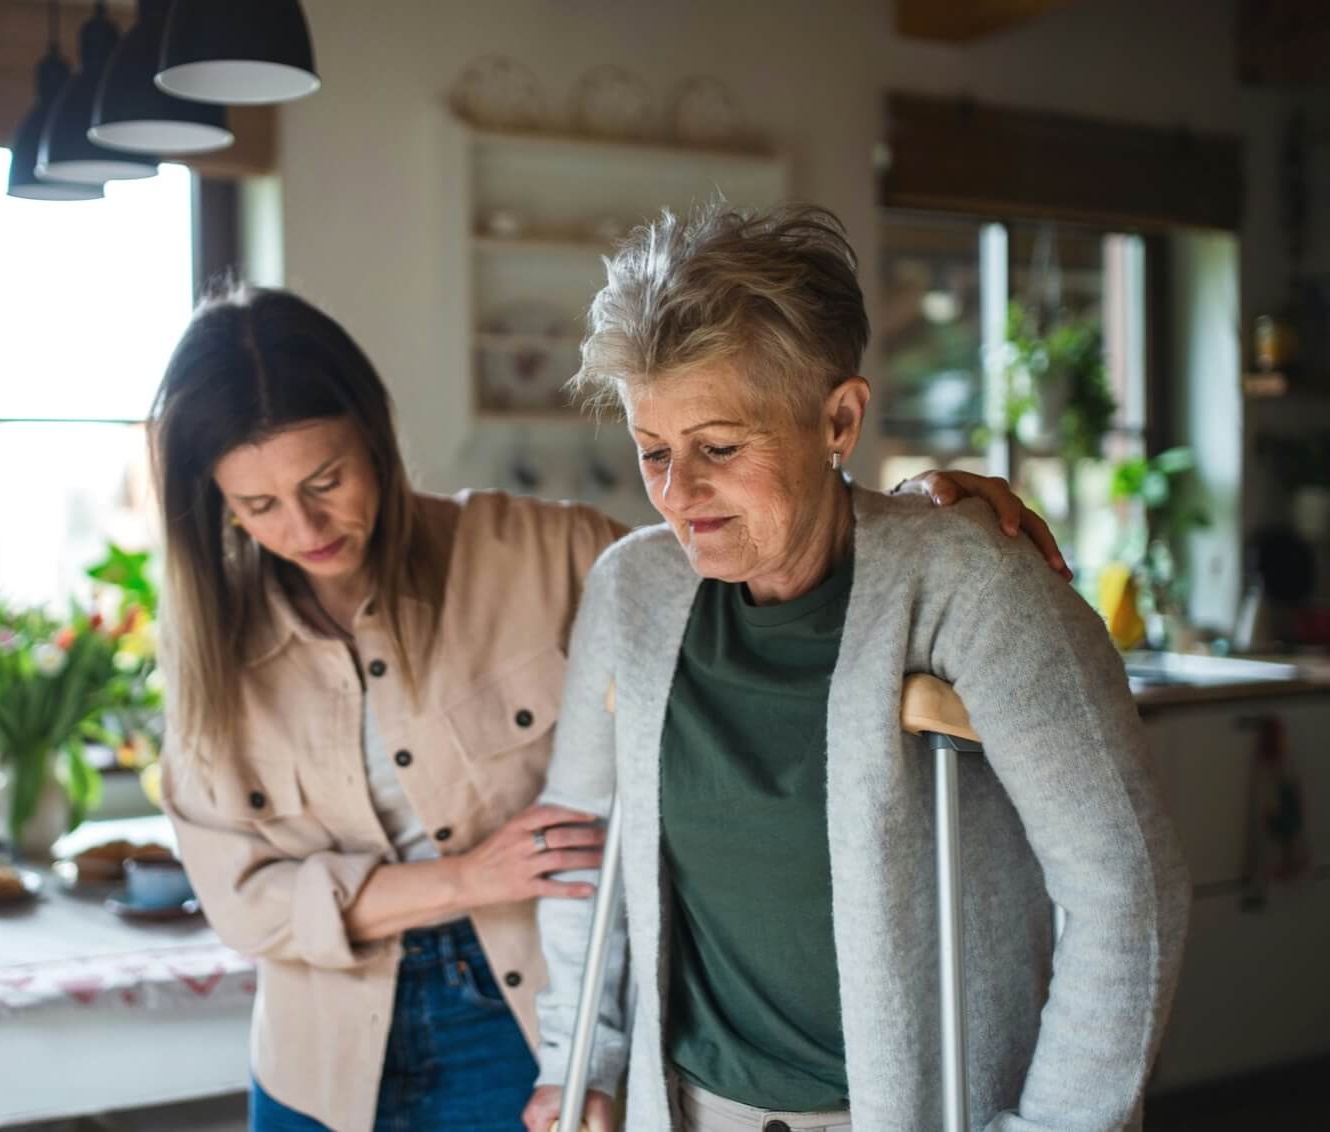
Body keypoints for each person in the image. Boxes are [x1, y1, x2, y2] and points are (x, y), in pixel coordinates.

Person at [147, 282, 1067, 1132]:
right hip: (320, 1056)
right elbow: (242, 904)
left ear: (375, 439)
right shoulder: (208, 655)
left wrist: (894, 516)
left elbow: (732, 541)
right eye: (257, 505)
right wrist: (471, 879)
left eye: (325, 482)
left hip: (521, 1024)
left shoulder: (547, 554)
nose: (303, 530)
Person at [525, 202, 1190, 1132]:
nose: (679, 494)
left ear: (838, 417)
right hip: (677, 1109)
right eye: (652, 451)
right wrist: (580, 1060)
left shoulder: (972, 582)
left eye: (719, 447)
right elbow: (579, 858)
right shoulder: (633, 589)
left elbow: (1125, 885)